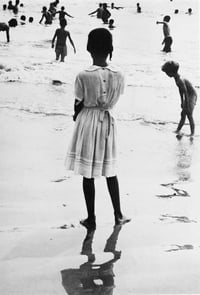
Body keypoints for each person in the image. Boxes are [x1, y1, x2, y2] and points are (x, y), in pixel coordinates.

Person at [65, 28, 131, 229]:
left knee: (88, 173)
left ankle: (91, 218)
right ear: (110, 48)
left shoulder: (83, 75)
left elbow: (79, 102)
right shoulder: (119, 74)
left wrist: (76, 116)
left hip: (88, 120)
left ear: (89, 48)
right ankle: (118, 214)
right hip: (108, 120)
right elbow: (116, 98)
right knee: (110, 170)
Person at [161, 61, 197, 137]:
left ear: (171, 72)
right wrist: (182, 101)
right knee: (183, 114)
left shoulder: (180, 80)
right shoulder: (176, 78)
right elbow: (181, 91)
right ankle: (178, 129)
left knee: (189, 114)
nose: (167, 75)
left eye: (167, 73)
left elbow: (186, 92)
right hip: (188, 95)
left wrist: (186, 105)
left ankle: (192, 133)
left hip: (191, 95)